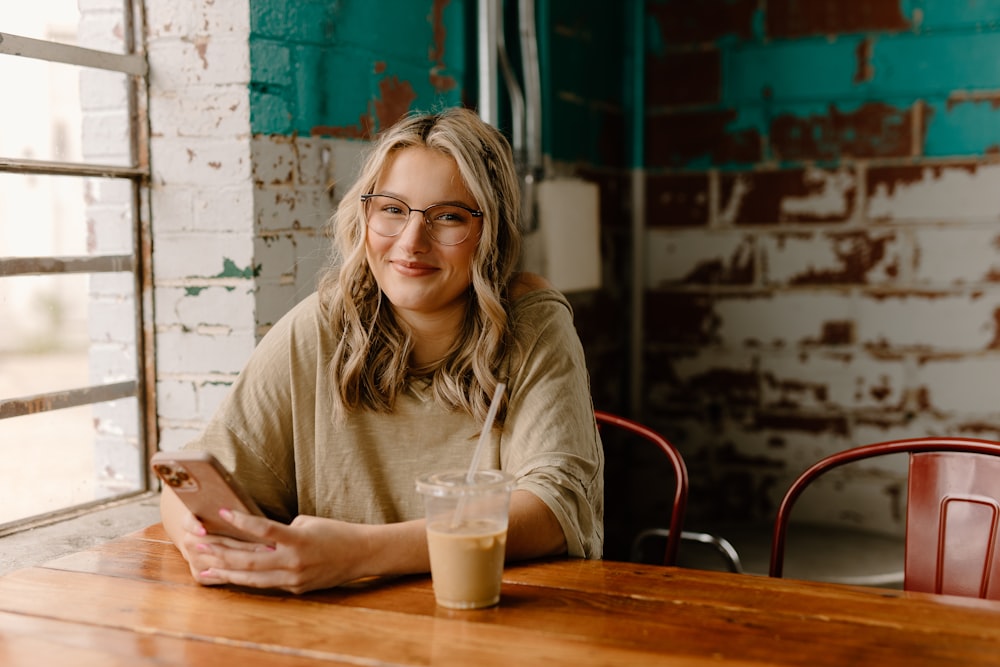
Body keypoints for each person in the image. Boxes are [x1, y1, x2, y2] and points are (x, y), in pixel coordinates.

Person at [160, 106, 604, 594]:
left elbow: (553, 510)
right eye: (392, 209)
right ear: (365, 214)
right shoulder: (318, 326)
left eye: (449, 217)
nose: (411, 242)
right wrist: (207, 544)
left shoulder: (532, 325)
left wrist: (358, 554)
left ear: (489, 234)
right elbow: (190, 485)